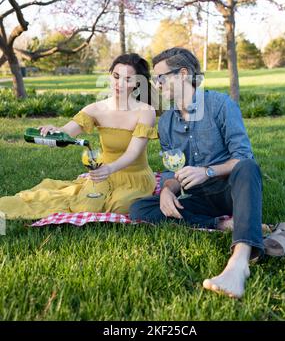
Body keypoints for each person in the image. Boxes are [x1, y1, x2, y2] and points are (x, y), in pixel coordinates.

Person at [130, 47, 264, 299]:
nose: (156, 85)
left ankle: (240, 261)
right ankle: (222, 224)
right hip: (197, 197)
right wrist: (167, 190)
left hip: (230, 191)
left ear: (182, 74)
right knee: (140, 209)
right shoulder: (166, 121)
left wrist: (208, 171)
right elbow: (173, 168)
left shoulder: (220, 105)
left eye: (161, 78)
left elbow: (243, 157)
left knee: (248, 168)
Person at [0, 53, 157, 219]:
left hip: (135, 177)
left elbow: (133, 153)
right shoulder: (95, 108)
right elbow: (67, 132)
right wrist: (54, 131)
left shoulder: (146, 111)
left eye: (128, 79)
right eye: (116, 76)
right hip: (102, 174)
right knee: (86, 206)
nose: (120, 84)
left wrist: (109, 168)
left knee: (119, 206)